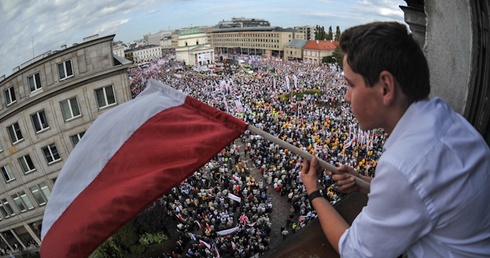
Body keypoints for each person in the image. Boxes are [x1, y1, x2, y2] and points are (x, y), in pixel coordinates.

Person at [300, 21, 490, 257]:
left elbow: (355, 251)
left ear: (386, 88)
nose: (347, 98)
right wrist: (365, 182)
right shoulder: (445, 117)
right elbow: (426, 198)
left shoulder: (404, 163)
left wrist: (314, 192)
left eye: (350, 84)